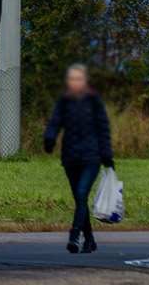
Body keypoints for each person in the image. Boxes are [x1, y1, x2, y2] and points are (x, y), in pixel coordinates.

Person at [43, 63, 114, 254]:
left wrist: (107, 154)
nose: (75, 82)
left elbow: (103, 129)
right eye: (72, 79)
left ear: (85, 81)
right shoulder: (64, 101)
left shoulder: (94, 102)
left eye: (79, 78)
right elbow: (55, 122)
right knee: (79, 199)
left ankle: (74, 235)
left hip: (92, 158)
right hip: (71, 158)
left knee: (82, 194)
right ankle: (90, 240)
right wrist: (49, 138)